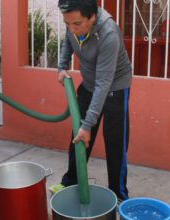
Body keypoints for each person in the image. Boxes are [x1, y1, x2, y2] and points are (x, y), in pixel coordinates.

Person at [50, 0, 132, 202]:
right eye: (67, 23)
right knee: (78, 135)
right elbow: (68, 40)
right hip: (88, 83)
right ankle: (71, 181)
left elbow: (104, 83)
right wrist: (62, 66)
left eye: (76, 24)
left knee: (115, 142)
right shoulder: (73, 21)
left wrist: (89, 124)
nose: (71, 28)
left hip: (115, 86)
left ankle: (119, 194)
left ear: (92, 17)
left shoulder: (108, 34)